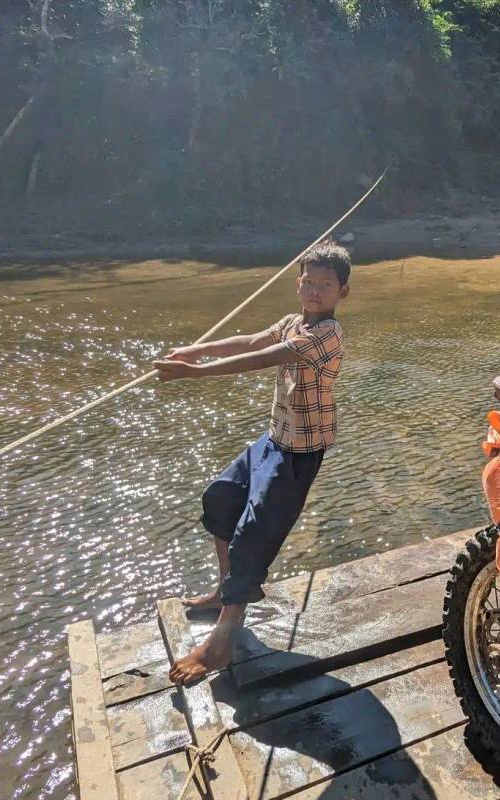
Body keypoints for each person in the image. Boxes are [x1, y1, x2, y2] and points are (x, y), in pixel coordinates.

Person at [152, 243, 349, 685]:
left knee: (253, 532)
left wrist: (196, 374)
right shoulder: (293, 322)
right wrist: (194, 349)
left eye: (326, 285)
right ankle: (227, 589)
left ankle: (224, 635)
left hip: (298, 452)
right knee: (221, 497)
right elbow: (252, 341)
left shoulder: (326, 335)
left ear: (343, 292)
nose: (315, 290)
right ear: (298, 282)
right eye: (309, 281)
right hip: (275, 439)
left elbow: (265, 358)